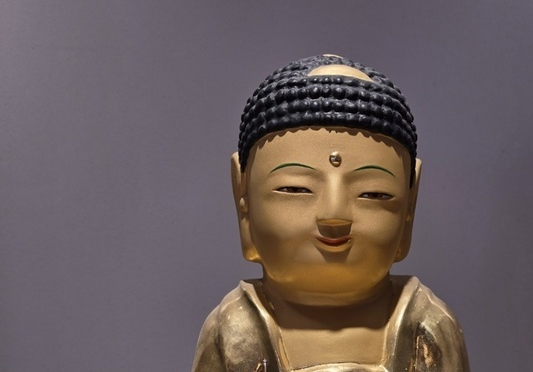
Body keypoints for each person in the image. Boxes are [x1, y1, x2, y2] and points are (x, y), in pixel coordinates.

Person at [192, 55, 470, 372]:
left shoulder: (424, 324)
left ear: (410, 204)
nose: (334, 215)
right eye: (295, 189)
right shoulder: (234, 327)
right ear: (242, 196)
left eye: (373, 193)